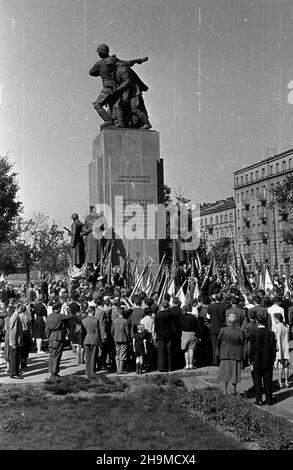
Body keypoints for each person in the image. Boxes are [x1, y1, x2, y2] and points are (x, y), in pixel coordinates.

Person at [89, 43, 149, 128]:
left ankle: (109, 120)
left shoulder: (100, 64)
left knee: (99, 105)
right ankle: (118, 123)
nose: (98, 54)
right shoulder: (115, 60)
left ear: (101, 53)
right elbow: (128, 62)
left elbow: (91, 72)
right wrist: (140, 60)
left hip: (110, 88)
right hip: (117, 87)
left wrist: (100, 71)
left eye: (99, 52)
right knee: (114, 107)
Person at [113, 60, 151, 129]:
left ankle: (147, 123)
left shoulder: (122, 69)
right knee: (117, 107)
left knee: (134, 109)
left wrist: (118, 90)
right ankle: (121, 124)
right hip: (127, 93)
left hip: (134, 92)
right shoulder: (115, 71)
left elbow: (127, 82)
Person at [249, 313, 277, 406]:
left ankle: (259, 400)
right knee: (268, 380)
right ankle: (269, 400)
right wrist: (273, 359)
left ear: (257, 321)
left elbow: (251, 348)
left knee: (257, 381)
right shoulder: (271, 333)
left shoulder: (254, 333)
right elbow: (273, 349)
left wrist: (250, 358)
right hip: (268, 359)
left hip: (257, 359)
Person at [217, 313, 245, 395]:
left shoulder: (223, 330)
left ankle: (224, 391)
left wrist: (220, 351)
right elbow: (243, 342)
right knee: (234, 374)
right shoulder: (239, 331)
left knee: (225, 373)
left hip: (225, 354)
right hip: (236, 355)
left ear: (228, 321)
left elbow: (218, 341)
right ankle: (233, 390)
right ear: (236, 322)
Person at [46, 302, 73, 380]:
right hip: (58, 336)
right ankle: (54, 372)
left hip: (51, 337)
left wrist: (48, 337)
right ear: (58, 309)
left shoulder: (49, 317)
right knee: (57, 355)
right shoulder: (60, 316)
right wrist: (68, 309)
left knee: (52, 355)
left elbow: (46, 329)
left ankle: (52, 371)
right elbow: (70, 316)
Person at [154, 298, 175, 372]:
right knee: (169, 352)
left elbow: (156, 326)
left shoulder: (158, 315)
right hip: (169, 334)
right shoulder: (169, 314)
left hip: (160, 335)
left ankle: (162, 367)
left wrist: (156, 334)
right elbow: (172, 326)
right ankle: (169, 367)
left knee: (161, 352)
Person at [207, 292, 227, 366]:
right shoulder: (225, 306)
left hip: (213, 328)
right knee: (222, 345)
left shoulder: (211, 306)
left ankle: (215, 361)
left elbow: (208, 317)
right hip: (222, 327)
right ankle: (222, 359)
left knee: (214, 345)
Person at [82, 303, 101, 378]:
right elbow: (97, 332)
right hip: (93, 339)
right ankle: (92, 371)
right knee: (93, 356)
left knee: (87, 357)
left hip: (86, 339)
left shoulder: (83, 320)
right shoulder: (95, 320)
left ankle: (87, 371)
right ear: (93, 311)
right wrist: (99, 342)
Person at [178, 305, 200, 370]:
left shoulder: (181, 317)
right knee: (191, 349)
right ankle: (191, 364)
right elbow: (197, 326)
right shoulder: (193, 317)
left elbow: (179, 325)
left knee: (186, 350)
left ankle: (187, 364)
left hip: (184, 333)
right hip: (192, 333)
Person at [111, 306, 131, 375]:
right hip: (124, 338)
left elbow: (112, 331)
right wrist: (129, 339)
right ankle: (121, 370)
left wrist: (113, 336)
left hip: (116, 338)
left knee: (117, 353)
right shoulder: (125, 321)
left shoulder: (114, 321)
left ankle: (117, 369)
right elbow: (127, 332)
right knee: (123, 354)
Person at [272, 312, 290, 388]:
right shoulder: (286, 326)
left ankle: (280, 382)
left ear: (277, 318)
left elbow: (273, 337)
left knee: (280, 366)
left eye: (274, 318)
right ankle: (286, 382)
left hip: (278, 347)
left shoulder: (275, 326)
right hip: (285, 346)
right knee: (286, 365)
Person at [9, 303, 24, 379]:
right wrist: (14, 343)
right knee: (15, 358)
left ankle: (15, 372)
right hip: (16, 341)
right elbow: (13, 331)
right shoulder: (15, 317)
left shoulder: (16, 316)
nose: (22, 309)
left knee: (16, 357)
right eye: (21, 308)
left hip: (17, 341)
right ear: (17, 308)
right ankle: (14, 373)